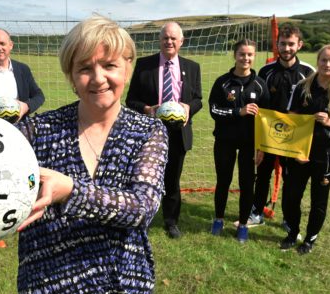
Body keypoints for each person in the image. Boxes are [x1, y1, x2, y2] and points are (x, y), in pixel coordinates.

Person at [15, 15, 168, 294]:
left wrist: (70, 191)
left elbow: (142, 207)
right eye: (85, 68)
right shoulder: (37, 130)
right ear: (72, 77)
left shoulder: (148, 131)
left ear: (127, 67)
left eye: (109, 65)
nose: (98, 78)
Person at [280, 44, 330, 254]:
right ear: (318, 60)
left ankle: (309, 240)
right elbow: (289, 117)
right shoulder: (302, 87)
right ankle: (292, 233)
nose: (327, 64)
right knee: (291, 196)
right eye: (324, 59)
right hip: (300, 151)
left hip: (326, 154)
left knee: (319, 199)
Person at [126, 21, 202, 239]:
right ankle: (145, 218)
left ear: (181, 42)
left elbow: (198, 100)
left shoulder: (192, 67)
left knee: (172, 179)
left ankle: (171, 221)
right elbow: (131, 100)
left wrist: (189, 107)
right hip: (150, 132)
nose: (169, 42)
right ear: (159, 40)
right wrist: (148, 109)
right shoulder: (144, 65)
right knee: (146, 177)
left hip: (178, 133)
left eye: (173, 38)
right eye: (165, 38)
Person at [250, 24, 315, 226]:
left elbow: (313, 106)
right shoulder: (266, 71)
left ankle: (288, 217)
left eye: (291, 44)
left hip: (294, 138)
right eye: (282, 44)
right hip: (269, 134)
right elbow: (260, 106)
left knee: (291, 179)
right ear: (276, 45)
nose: (286, 49)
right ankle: (257, 212)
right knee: (262, 175)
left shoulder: (309, 73)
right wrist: (258, 143)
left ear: (299, 45)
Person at [208, 39, 269, 243]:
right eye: (242, 54)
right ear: (235, 55)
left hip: (249, 144)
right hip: (225, 141)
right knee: (223, 181)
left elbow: (267, 119)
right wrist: (238, 112)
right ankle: (218, 219)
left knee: (246, 184)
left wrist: (261, 147)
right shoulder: (222, 82)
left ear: (254, 56)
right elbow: (214, 110)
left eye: (250, 54)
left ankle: (243, 225)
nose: (246, 58)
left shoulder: (260, 85)